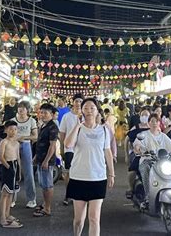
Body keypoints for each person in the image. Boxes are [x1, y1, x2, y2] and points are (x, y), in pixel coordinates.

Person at [65, 98, 115, 236]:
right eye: (85, 108)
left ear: (97, 110)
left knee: (94, 219)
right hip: (78, 176)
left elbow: (108, 151)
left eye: (92, 108)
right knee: (78, 220)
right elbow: (68, 144)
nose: (89, 111)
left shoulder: (104, 130)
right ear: (81, 111)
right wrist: (77, 125)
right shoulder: (78, 129)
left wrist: (111, 173)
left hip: (98, 177)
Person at [133, 113, 171, 208]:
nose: (154, 123)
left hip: (162, 161)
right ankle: (148, 196)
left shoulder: (163, 136)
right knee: (145, 169)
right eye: (152, 121)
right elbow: (137, 144)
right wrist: (138, 148)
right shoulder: (144, 134)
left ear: (159, 123)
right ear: (148, 123)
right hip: (148, 160)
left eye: (156, 121)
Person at [33, 103, 59, 217]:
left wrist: (46, 161)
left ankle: (47, 208)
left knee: (48, 185)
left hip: (46, 160)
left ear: (52, 114)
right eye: (41, 112)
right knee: (43, 184)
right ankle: (44, 204)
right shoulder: (43, 125)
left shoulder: (53, 127)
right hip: (40, 158)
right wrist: (36, 157)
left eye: (46, 113)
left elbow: (52, 146)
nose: (43, 115)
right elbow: (39, 143)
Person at [59, 93, 84, 206]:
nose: (78, 103)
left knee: (82, 172)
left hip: (83, 149)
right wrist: (62, 148)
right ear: (73, 102)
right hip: (69, 148)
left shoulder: (86, 116)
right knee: (69, 172)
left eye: (80, 101)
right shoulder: (67, 116)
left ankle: (80, 194)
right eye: (76, 101)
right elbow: (62, 134)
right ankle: (68, 194)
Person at [12, 101, 37, 209]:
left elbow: (35, 136)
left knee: (28, 172)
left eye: (23, 108)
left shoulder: (31, 121)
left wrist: (24, 138)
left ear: (27, 110)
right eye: (19, 108)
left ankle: (31, 199)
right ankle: (12, 198)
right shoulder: (12, 121)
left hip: (26, 145)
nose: (21, 110)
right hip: (13, 145)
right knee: (13, 171)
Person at [0, 120, 23, 228]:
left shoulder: (17, 143)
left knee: (11, 193)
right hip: (7, 167)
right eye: (10, 129)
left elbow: (18, 157)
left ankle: (8, 214)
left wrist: (19, 170)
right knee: (5, 193)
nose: (13, 131)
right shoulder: (4, 142)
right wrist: (8, 167)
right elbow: (1, 157)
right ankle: (2, 218)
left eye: (15, 129)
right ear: (6, 130)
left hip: (15, 166)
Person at [124, 108, 150, 197]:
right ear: (140, 116)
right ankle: (130, 188)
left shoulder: (153, 128)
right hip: (137, 154)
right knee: (133, 169)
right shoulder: (136, 127)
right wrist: (126, 155)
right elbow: (126, 140)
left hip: (151, 154)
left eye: (147, 115)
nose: (145, 117)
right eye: (143, 115)